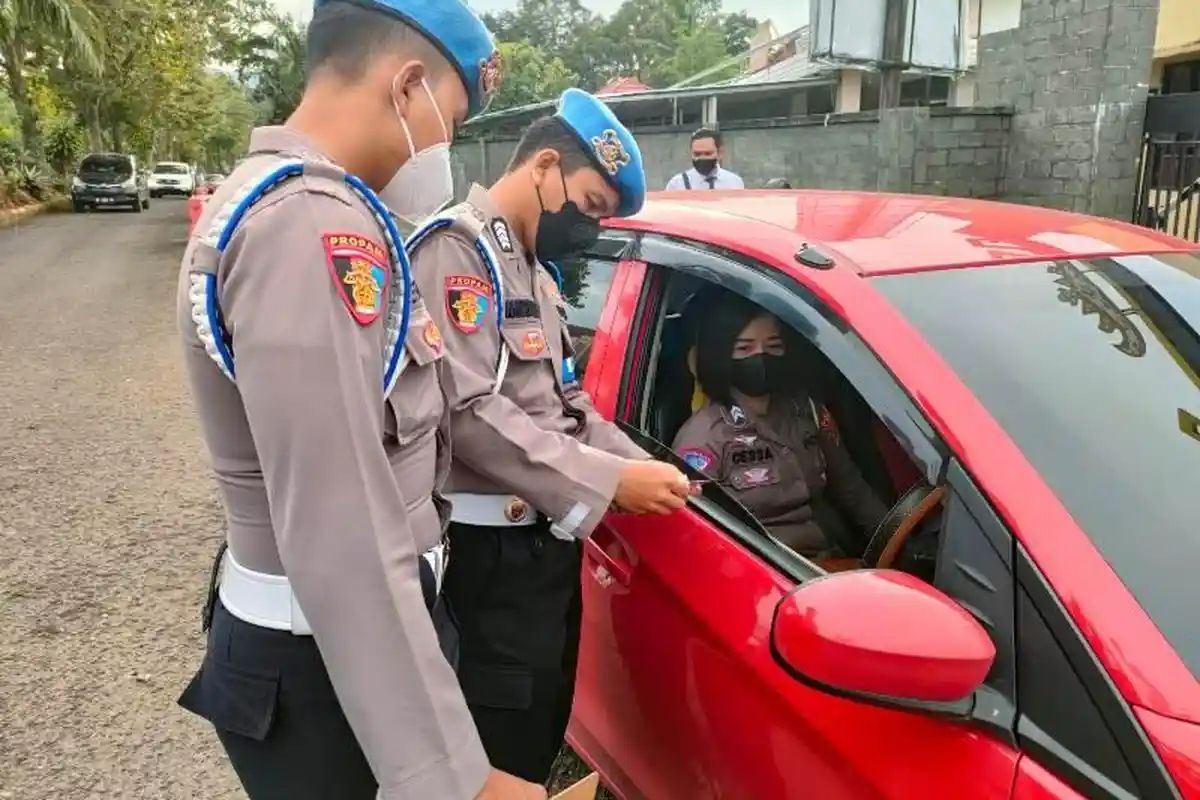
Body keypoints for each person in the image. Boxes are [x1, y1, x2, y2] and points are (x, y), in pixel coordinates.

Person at [174, 0, 546, 797]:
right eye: (448, 117)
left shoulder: (312, 208)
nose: (446, 146)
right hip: (327, 664)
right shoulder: (311, 228)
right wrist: (450, 776)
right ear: (407, 85)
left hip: (354, 645)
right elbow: (340, 526)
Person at [405, 88, 693, 785]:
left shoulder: (532, 270)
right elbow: (467, 410)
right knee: (495, 751)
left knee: (538, 727)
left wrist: (647, 467)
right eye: (590, 205)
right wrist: (609, 483)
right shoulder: (458, 251)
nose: (589, 228)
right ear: (543, 167)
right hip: (484, 556)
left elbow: (569, 406)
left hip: (542, 549)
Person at [672, 287, 888, 560]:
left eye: (772, 346)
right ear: (721, 355)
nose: (760, 358)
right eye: (744, 348)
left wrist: (894, 540)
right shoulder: (704, 438)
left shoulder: (806, 411)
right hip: (766, 570)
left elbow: (851, 488)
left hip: (831, 560)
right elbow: (692, 535)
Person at [664, 127, 744, 190]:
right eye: (697, 154)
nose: (702, 158)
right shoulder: (677, 185)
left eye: (708, 153)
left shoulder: (734, 183)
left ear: (720, 153)